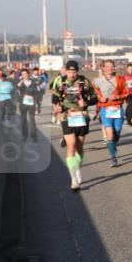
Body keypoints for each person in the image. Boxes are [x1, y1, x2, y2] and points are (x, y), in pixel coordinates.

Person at [52, 60, 96, 191]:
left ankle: (77, 169)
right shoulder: (60, 82)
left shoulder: (84, 82)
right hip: (67, 116)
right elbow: (55, 99)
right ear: (65, 70)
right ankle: (73, 179)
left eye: (74, 72)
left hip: (81, 116)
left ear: (78, 71)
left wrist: (86, 102)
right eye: (70, 71)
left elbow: (95, 98)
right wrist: (57, 107)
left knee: (79, 147)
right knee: (70, 145)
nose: (72, 74)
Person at [93, 60, 130, 168]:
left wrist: (118, 97)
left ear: (114, 67)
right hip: (106, 109)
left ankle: (113, 144)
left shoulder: (120, 79)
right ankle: (113, 157)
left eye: (111, 66)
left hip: (118, 109)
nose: (109, 68)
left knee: (116, 133)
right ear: (103, 68)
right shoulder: (97, 81)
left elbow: (126, 92)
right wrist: (100, 98)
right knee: (109, 133)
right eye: (107, 66)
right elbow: (95, 93)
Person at [17, 69, 44, 141]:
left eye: (25, 74)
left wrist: (38, 100)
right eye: (22, 74)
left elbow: (39, 91)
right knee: (23, 119)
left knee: (32, 119)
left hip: (31, 103)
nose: (24, 75)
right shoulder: (20, 82)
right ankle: (24, 135)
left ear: (28, 74)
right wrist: (21, 81)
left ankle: (33, 136)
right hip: (22, 103)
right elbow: (17, 89)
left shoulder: (34, 82)